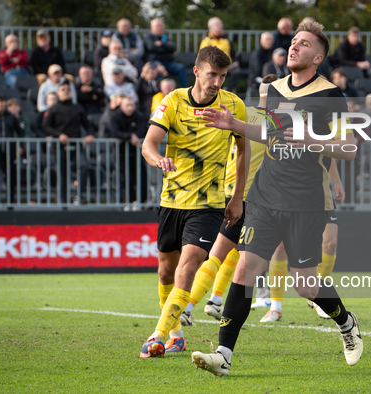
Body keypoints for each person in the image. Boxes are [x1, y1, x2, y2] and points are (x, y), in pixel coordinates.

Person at [191, 21, 362, 376]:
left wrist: (309, 140)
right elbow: (268, 132)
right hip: (265, 196)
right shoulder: (275, 88)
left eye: (303, 44)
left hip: (305, 201)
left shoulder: (331, 95)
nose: (294, 47)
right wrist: (235, 125)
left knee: (306, 284)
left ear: (318, 56)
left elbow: (348, 148)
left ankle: (346, 323)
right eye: (294, 41)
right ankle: (223, 355)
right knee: (244, 268)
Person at [138, 46, 246, 357]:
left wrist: (237, 197)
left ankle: (157, 335)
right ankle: (175, 335)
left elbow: (243, 152)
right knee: (165, 272)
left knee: (188, 266)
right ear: (197, 71)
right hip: (172, 199)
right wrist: (159, 160)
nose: (217, 82)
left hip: (209, 203)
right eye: (212, 75)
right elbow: (148, 144)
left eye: (223, 76)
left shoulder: (233, 105)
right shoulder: (172, 101)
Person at [178, 75, 278, 325]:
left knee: (232, 253)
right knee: (223, 254)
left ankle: (214, 300)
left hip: (230, 190)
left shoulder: (244, 114)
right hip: (248, 198)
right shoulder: (275, 122)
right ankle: (189, 306)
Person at [259, 159, 346, 323]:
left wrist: (337, 182)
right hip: (287, 195)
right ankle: (275, 308)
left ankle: (317, 297)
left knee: (330, 243)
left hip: (318, 193)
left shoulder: (318, 134)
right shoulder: (280, 134)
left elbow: (330, 154)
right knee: (280, 249)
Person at [42, 80, 94, 205]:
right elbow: (45, 126)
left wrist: (90, 135)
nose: (66, 92)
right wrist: (58, 135)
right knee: (62, 174)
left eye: (68, 89)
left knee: (83, 166)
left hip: (76, 145)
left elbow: (88, 124)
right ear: (58, 92)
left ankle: (79, 196)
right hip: (60, 146)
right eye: (63, 89)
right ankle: (62, 202)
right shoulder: (53, 108)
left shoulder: (78, 108)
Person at [108, 96, 148, 204]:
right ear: (121, 106)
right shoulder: (115, 116)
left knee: (140, 177)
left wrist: (134, 136)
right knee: (124, 178)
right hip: (121, 152)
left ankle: (142, 202)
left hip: (136, 152)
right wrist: (130, 136)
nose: (130, 108)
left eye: (132, 105)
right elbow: (114, 132)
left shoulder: (139, 116)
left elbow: (143, 130)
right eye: (127, 105)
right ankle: (127, 202)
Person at [199, 17, 242, 92]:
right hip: (213, 66)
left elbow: (233, 55)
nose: (220, 26)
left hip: (228, 66)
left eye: (220, 24)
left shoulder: (227, 41)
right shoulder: (206, 41)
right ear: (210, 27)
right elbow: (203, 58)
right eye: (217, 25)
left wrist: (235, 62)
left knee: (237, 72)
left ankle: (226, 90)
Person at [144, 18, 189, 88]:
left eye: (161, 26)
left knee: (181, 68)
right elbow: (151, 47)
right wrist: (165, 46)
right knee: (159, 70)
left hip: (168, 62)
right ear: (151, 27)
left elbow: (173, 47)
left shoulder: (165, 37)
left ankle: (186, 91)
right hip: (155, 62)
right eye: (157, 26)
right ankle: (162, 92)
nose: (159, 28)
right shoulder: (148, 37)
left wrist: (161, 44)